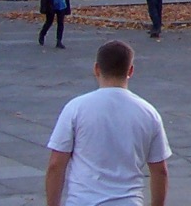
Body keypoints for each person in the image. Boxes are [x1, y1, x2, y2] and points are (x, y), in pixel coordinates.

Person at [45, 39, 171, 206]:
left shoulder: (76, 108)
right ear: (130, 70)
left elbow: (56, 165)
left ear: (97, 69)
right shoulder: (148, 112)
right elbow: (160, 171)